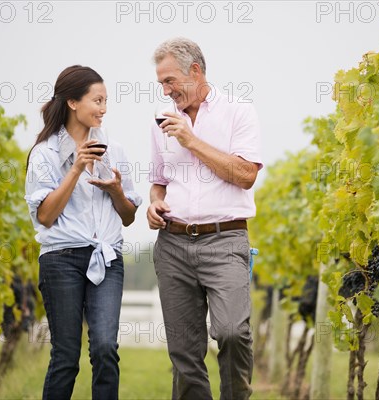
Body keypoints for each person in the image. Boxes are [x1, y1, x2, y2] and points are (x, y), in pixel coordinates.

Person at [147, 38, 263, 400]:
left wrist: (191, 140)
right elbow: (159, 183)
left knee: (231, 331)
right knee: (184, 351)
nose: (165, 91)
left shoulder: (239, 112)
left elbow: (245, 174)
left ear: (195, 71)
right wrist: (154, 205)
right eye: (161, 84)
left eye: (169, 81)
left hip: (225, 241)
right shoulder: (161, 123)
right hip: (173, 243)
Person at [25, 65, 141, 400]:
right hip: (61, 261)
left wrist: (117, 191)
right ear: (73, 102)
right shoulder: (45, 153)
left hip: (106, 259)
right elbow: (46, 216)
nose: (104, 108)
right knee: (66, 357)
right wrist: (75, 167)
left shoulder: (114, 150)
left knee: (105, 347)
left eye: (106, 101)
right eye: (98, 100)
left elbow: (129, 217)